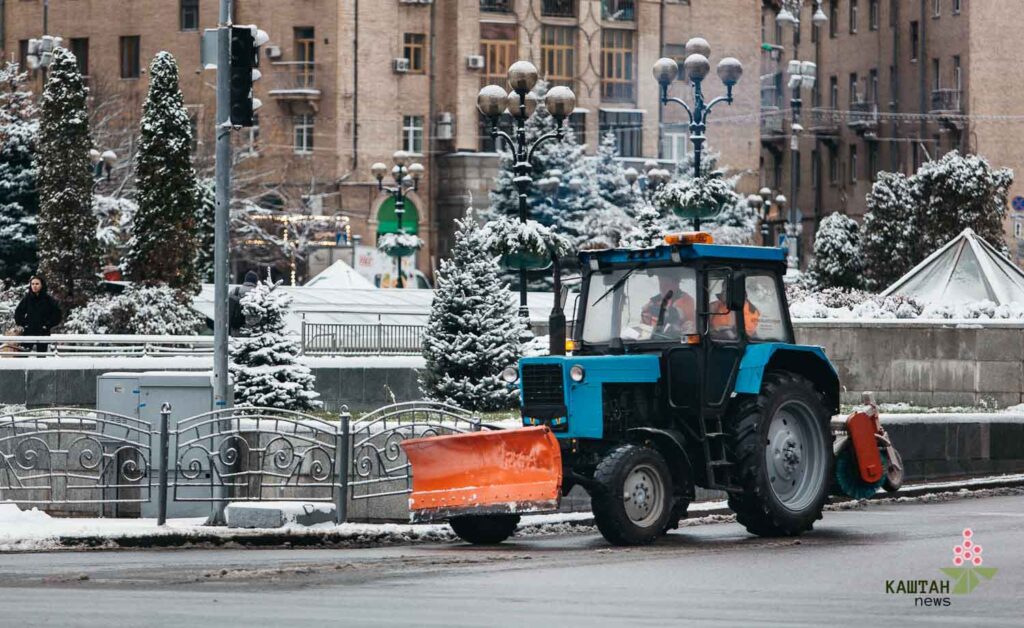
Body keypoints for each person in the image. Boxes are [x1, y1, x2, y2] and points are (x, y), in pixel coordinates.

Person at [14, 276, 62, 353]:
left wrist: (47, 325)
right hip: (29, 331)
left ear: (42, 285)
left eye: (37, 284)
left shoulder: (48, 299)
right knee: (23, 354)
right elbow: (18, 312)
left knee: (41, 356)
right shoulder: (27, 299)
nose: (34, 286)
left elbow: (57, 314)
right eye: (32, 284)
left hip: (43, 332)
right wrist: (24, 324)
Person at [640, 274, 696, 339]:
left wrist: (652, 309)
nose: (663, 288)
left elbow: (680, 315)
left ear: (676, 283)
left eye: (666, 285)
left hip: (677, 342)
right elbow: (644, 329)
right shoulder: (653, 301)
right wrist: (646, 321)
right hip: (654, 342)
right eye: (661, 284)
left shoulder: (686, 300)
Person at [229, 270, 259, 335]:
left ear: (245, 280)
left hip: (236, 326)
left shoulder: (235, 291)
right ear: (255, 281)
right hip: (253, 328)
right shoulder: (259, 293)